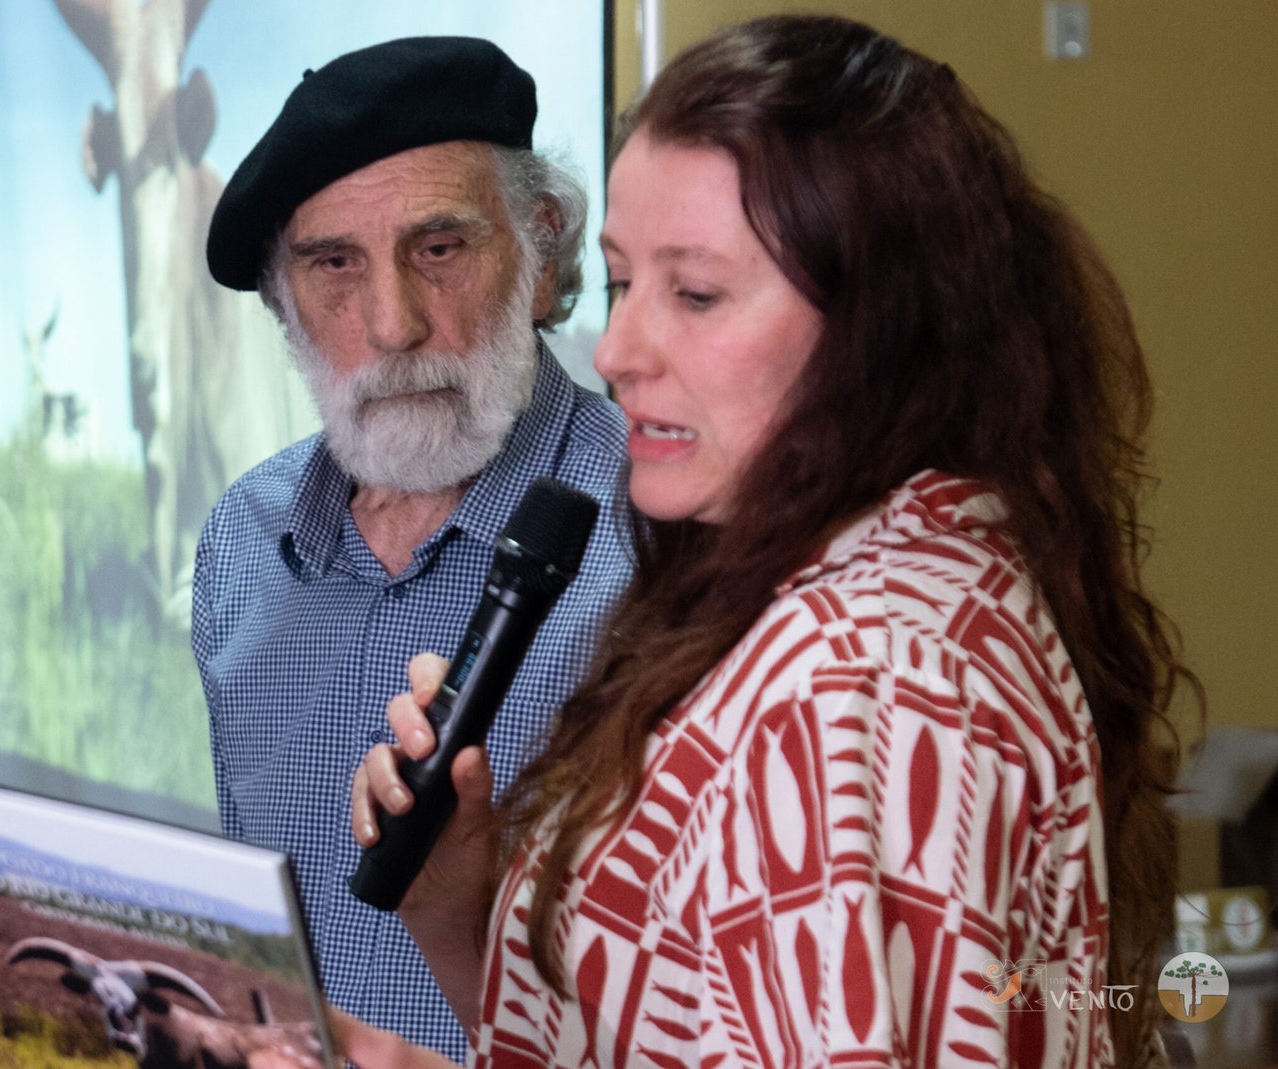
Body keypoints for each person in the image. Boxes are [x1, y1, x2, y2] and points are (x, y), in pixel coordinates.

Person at [340, 15, 1198, 1069]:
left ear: (882, 325)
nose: (617, 350)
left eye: (695, 293)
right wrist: (454, 911)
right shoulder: (862, 582)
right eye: (620, 283)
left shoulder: (858, 677)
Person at [191, 37, 633, 1062]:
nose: (392, 326)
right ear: (284, 302)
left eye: (439, 248)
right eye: (333, 265)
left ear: (540, 253)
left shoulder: (663, 540)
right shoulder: (243, 539)